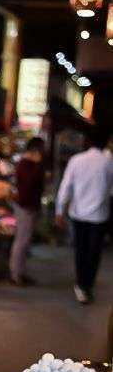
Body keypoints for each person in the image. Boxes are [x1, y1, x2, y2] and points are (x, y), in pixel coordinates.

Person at [55, 126, 113, 304]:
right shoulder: (109, 162)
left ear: (87, 142)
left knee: (81, 250)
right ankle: (87, 286)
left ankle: (81, 284)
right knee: (94, 252)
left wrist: (59, 211)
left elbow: (66, 187)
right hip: (99, 215)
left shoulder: (76, 160)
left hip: (78, 214)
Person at [9, 137, 46, 287]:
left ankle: (20, 273)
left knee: (25, 241)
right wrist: (38, 165)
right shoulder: (25, 165)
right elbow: (29, 184)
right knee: (22, 241)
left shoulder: (28, 164)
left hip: (29, 205)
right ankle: (16, 274)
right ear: (35, 151)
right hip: (25, 206)